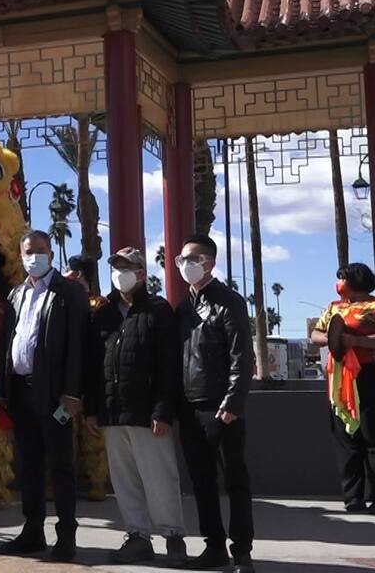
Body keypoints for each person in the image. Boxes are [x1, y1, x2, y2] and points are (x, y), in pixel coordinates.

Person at [85, 247, 185, 565]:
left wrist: (163, 410)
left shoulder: (159, 311)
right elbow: (93, 365)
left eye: (127, 267)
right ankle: (137, 536)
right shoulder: (104, 314)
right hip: (113, 413)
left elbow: (170, 365)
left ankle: (173, 538)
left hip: (148, 414)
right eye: (116, 267)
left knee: (160, 478)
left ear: (141, 273)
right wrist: (91, 409)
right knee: (124, 479)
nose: (120, 273)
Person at [0, 230, 87, 562]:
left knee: (61, 465)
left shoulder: (68, 292)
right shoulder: (16, 294)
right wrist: (1, 393)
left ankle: (66, 536)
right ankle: (32, 531)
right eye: (29, 252)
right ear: (21, 256)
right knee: (29, 465)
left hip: (54, 394)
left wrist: (73, 393)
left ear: (52, 253)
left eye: (42, 250)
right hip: (21, 391)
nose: (36, 256)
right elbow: (8, 342)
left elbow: (78, 345)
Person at [175, 235, 255, 573]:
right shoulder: (183, 307)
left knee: (235, 480)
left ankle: (242, 552)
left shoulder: (228, 302)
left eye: (192, 258)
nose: (185, 264)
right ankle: (214, 546)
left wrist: (232, 402)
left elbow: (242, 357)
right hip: (189, 408)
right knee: (201, 482)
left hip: (221, 407)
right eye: (181, 259)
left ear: (209, 262)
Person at [310, 262, 375, 516]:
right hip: (342, 376)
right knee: (347, 438)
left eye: (342, 278)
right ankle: (353, 497)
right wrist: (333, 339)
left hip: (373, 374)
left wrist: (357, 341)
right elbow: (316, 334)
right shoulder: (334, 308)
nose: (339, 284)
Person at [64, 254, 110, 502]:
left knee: (93, 434)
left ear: (77, 274)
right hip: (65, 383)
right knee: (63, 432)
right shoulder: (61, 301)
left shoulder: (99, 305)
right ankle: (60, 481)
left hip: (90, 381)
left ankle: (96, 483)